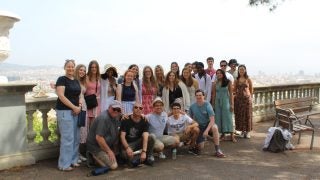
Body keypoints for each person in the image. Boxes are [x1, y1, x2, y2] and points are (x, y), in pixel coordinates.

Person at [56, 59, 81, 171]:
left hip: (76, 111)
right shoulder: (61, 79)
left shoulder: (76, 80)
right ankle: (64, 164)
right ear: (65, 67)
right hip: (65, 111)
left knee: (76, 137)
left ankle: (73, 160)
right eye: (68, 66)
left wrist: (79, 106)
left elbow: (79, 95)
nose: (70, 68)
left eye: (72, 66)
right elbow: (61, 96)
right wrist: (74, 107)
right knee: (67, 138)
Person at [86, 100, 122, 170]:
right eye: (114, 109)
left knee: (121, 157)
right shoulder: (104, 118)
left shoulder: (116, 117)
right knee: (113, 166)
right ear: (109, 108)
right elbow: (99, 138)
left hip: (106, 145)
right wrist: (109, 151)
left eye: (118, 110)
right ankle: (92, 156)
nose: (116, 111)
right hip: (96, 147)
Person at [189, 89, 226, 157]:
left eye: (200, 95)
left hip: (208, 125)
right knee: (200, 148)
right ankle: (206, 139)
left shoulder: (207, 105)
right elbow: (190, 120)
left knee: (215, 127)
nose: (198, 97)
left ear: (204, 96)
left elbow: (212, 120)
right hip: (199, 126)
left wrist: (206, 130)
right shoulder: (192, 107)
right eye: (197, 95)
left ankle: (217, 150)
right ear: (195, 97)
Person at [211, 69, 235, 142]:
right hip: (217, 102)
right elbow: (214, 95)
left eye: (220, 73)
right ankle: (223, 135)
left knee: (228, 118)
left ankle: (232, 136)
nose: (218, 74)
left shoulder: (228, 82)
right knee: (219, 118)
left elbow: (231, 94)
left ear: (223, 74)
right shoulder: (215, 83)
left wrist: (232, 105)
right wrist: (212, 105)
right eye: (217, 73)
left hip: (226, 101)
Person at [234, 65, 253, 139]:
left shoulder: (248, 79)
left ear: (245, 70)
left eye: (243, 69)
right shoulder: (236, 79)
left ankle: (248, 131)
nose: (241, 71)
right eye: (240, 69)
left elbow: (251, 89)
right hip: (239, 100)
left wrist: (250, 97)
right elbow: (234, 90)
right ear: (238, 71)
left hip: (247, 100)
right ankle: (242, 131)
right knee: (240, 115)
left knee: (247, 115)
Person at [75, 64, 88, 162]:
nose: (82, 72)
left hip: (83, 107)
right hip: (77, 106)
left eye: (84, 70)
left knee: (81, 130)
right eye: (81, 70)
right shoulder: (74, 81)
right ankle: (75, 154)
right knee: (76, 130)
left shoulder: (82, 81)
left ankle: (78, 153)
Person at [85, 60, 101, 127]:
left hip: (96, 104)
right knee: (87, 125)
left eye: (95, 67)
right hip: (88, 103)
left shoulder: (99, 78)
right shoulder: (86, 78)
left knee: (95, 126)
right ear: (89, 68)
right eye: (92, 67)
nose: (94, 69)